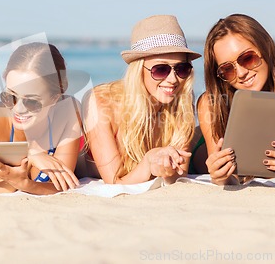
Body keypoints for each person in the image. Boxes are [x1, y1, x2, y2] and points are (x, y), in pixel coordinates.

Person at [197, 14, 275, 187]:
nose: (241, 73)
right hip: (194, 152)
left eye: (247, 58)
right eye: (227, 69)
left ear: (266, 48)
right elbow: (227, 179)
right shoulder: (211, 103)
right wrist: (221, 177)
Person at [83, 15, 201, 184]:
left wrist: (166, 169)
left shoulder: (182, 102)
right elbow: (115, 182)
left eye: (182, 68)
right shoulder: (101, 103)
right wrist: (148, 163)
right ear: (139, 70)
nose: (173, 79)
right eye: (161, 70)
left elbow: (178, 176)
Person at [0, 42, 83, 194]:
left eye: (31, 101)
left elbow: (62, 187)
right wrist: (29, 153)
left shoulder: (68, 111)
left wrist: (24, 183)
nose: (18, 108)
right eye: (10, 96)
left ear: (55, 97)